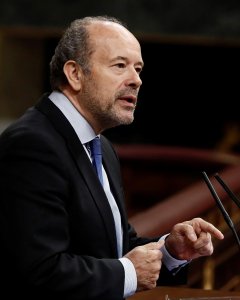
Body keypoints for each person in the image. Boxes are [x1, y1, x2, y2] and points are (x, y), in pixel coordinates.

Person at [0, 16, 224, 300]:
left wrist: (169, 251)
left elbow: (112, 249)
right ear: (75, 74)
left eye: (138, 68)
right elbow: (39, 270)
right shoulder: (32, 145)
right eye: (120, 65)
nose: (136, 80)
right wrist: (129, 273)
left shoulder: (101, 146)